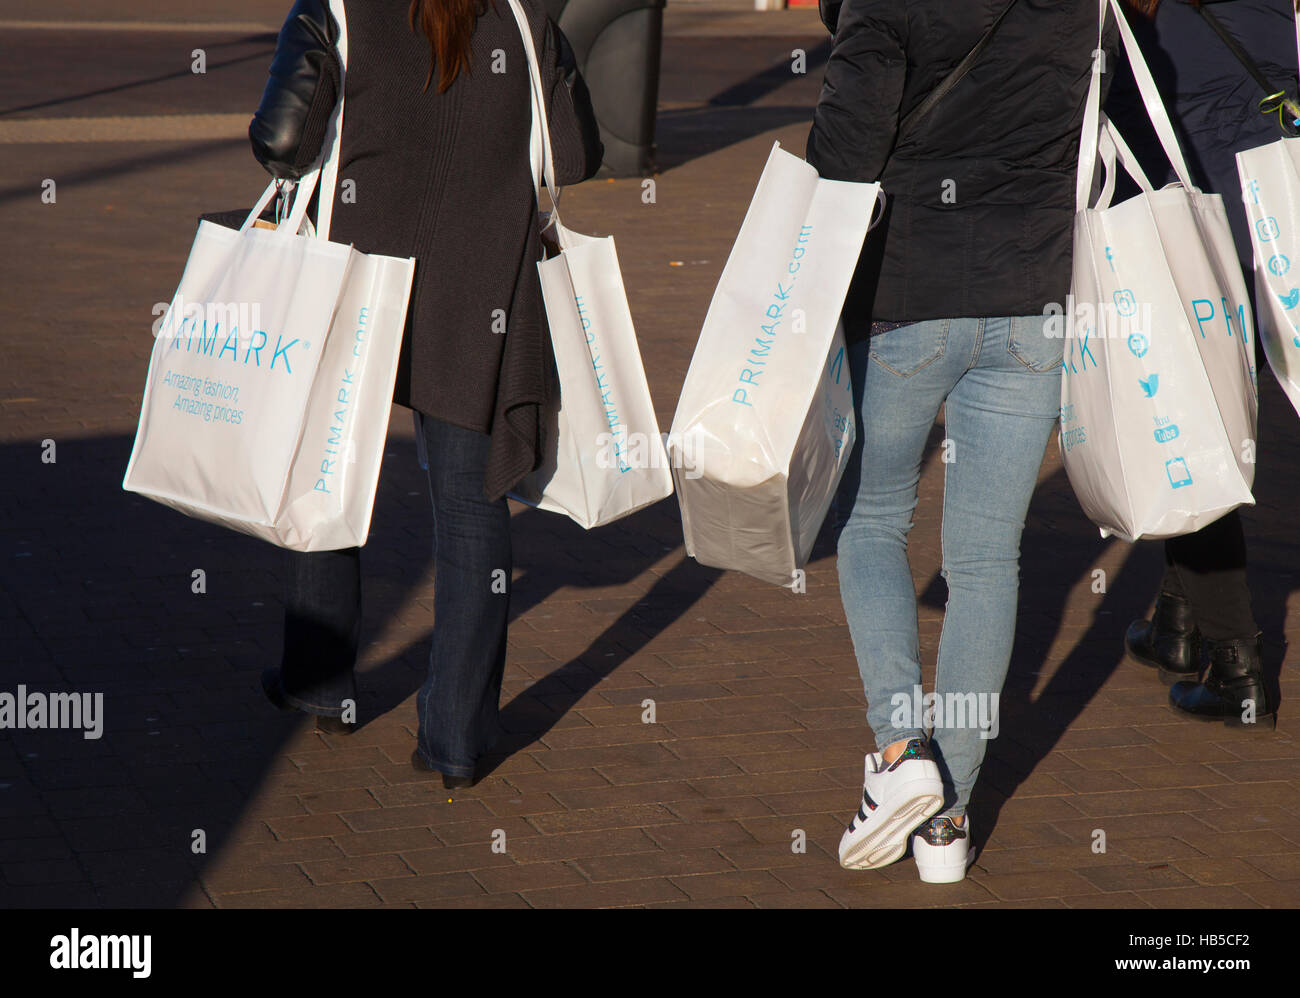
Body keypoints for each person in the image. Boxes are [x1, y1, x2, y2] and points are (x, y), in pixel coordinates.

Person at [248, 0, 603, 787]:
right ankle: (456, 736)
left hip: (355, 274)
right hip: (478, 293)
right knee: (473, 512)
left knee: (325, 468)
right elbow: (576, 154)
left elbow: (282, 141)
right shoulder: (522, 11)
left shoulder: (337, 5)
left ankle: (319, 682)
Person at [808, 0, 1115, 882]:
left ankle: (903, 751)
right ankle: (949, 823)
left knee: (872, 522)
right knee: (986, 558)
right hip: (1034, 295)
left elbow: (844, 153)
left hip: (909, 291)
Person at [1108, 0, 1288, 729]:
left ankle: (1236, 661)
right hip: (1272, 219)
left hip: (1182, 229)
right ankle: (1178, 623)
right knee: (1198, 414)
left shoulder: (1141, 19)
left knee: (1188, 424)